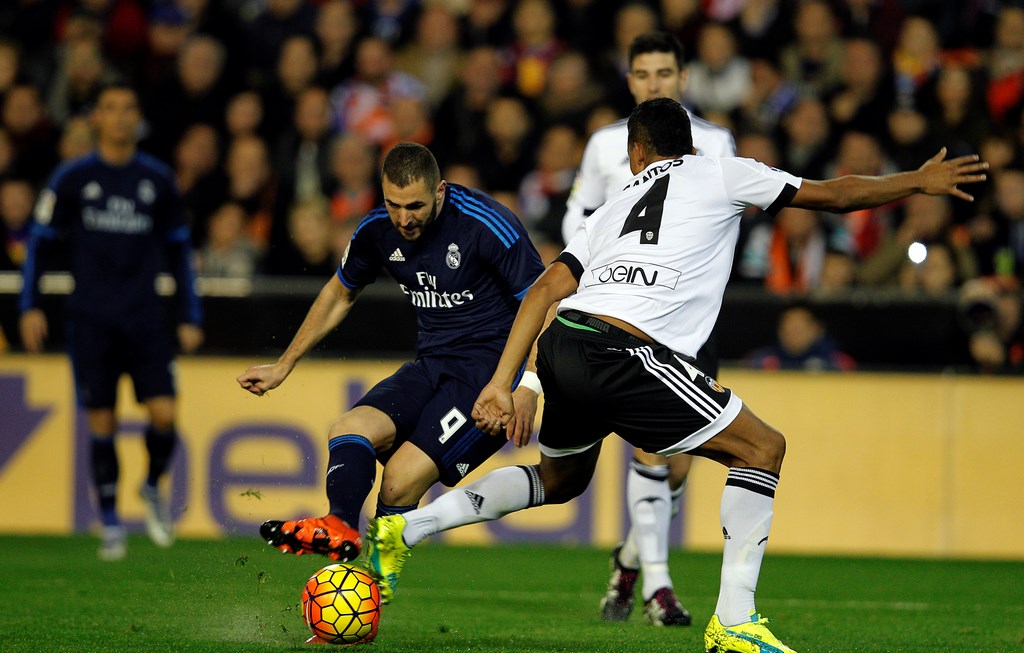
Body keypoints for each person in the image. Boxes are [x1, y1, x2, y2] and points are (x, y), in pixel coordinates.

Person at [363, 98, 987, 653]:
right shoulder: (722, 170)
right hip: (622, 350)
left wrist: (506, 382)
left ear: (637, 152)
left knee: (560, 480)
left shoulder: (617, 203)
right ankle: (736, 620)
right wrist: (918, 181)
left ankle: (407, 528)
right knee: (762, 448)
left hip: (563, 342)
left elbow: (541, 292)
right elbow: (838, 193)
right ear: (687, 143)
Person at [237, 142, 545, 568]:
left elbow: (545, 301)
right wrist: (284, 363)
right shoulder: (377, 228)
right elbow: (340, 292)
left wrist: (529, 384)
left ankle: (371, 592)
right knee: (350, 428)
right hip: (431, 364)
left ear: (439, 191)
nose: (403, 218)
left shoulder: (486, 224)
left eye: (415, 206)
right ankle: (339, 525)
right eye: (393, 204)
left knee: (399, 483)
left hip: (490, 379)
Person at [561, 30, 736, 627]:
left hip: (689, 317)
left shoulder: (716, 144)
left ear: (683, 79)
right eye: (643, 74)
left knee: (678, 463)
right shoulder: (605, 145)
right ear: (629, 80)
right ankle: (660, 590)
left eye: (664, 73)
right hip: (623, 316)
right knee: (652, 449)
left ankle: (631, 560)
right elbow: (577, 217)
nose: (654, 83)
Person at [18, 83, 204, 561]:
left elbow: (180, 251)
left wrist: (188, 313)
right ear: (96, 118)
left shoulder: (157, 180)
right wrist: (30, 305)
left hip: (145, 319)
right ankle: (111, 524)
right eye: (111, 109)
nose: (121, 118)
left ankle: (150, 486)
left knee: (165, 414)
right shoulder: (72, 178)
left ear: (137, 119)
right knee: (101, 422)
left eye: (129, 109)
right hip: (91, 320)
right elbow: (39, 241)